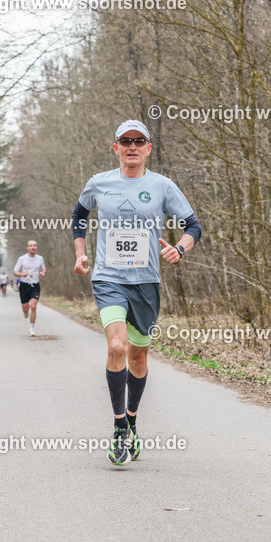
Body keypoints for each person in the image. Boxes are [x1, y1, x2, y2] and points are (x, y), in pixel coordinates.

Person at [72, 119, 202, 466]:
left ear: (147, 148)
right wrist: (80, 252)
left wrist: (181, 248)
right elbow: (79, 214)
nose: (132, 147)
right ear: (116, 148)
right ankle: (118, 429)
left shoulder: (162, 186)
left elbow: (193, 225)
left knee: (139, 357)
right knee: (117, 346)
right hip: (108, 279)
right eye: (125, 141)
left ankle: (131, 418)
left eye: (138, 141)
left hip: (146, 283)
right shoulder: (100, 183)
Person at [14, 240, 46, 336]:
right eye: (31, 245)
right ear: (27, 248)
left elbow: (43, 268)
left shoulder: (40, 259)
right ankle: (25, 312)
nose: (33, 247)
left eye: (34, 245)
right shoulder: (22, 259)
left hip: (35, 285)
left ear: (36, 247)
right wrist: (21, 274)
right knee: (25, 309)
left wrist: (42, 273)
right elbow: (15, 271)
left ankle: (32, 328)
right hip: (24, 285)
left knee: (34, 305)